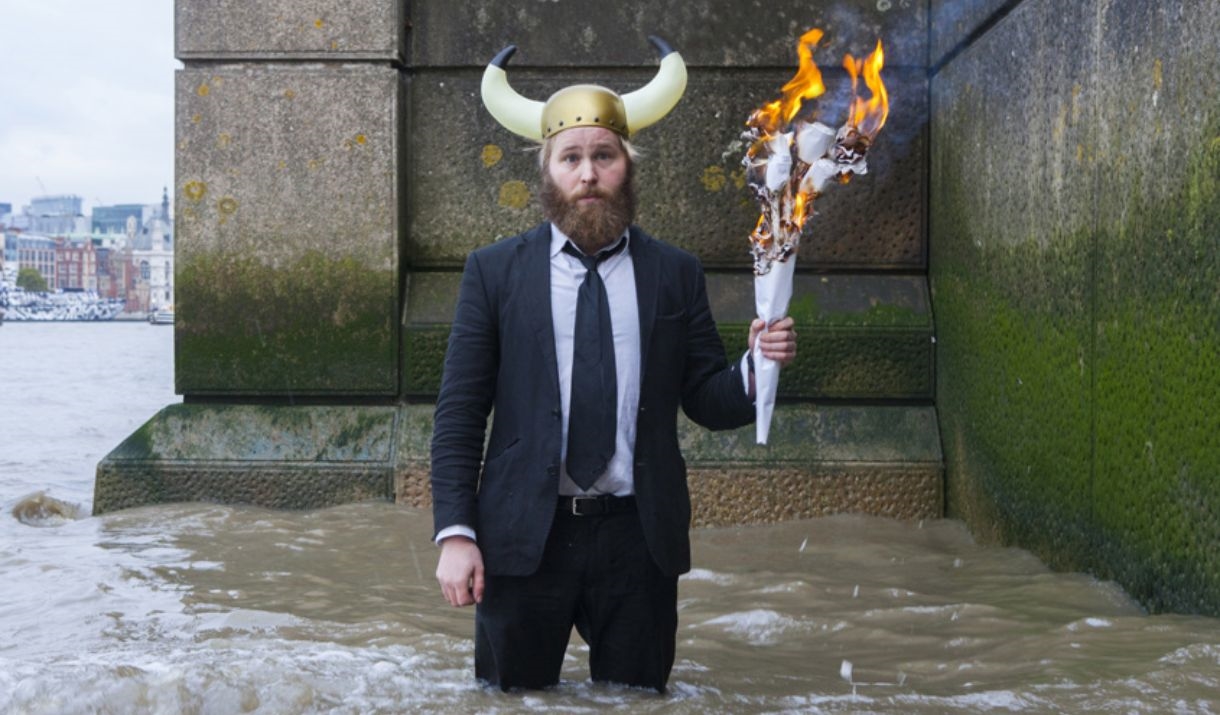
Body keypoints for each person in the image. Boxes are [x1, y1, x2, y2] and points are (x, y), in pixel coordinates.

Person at [430, 36, 797, 692]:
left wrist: (754, 366)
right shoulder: (493, 273)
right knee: (511, 703)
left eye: (604, 155)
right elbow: (459, 413)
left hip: (638, 539)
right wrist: (456, 534)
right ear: (547, 171)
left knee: (637, 703)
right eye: (571, 157)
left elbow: (705, 398)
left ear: (627, 165)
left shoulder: (674, 272)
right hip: (520, 541)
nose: (588, 172)